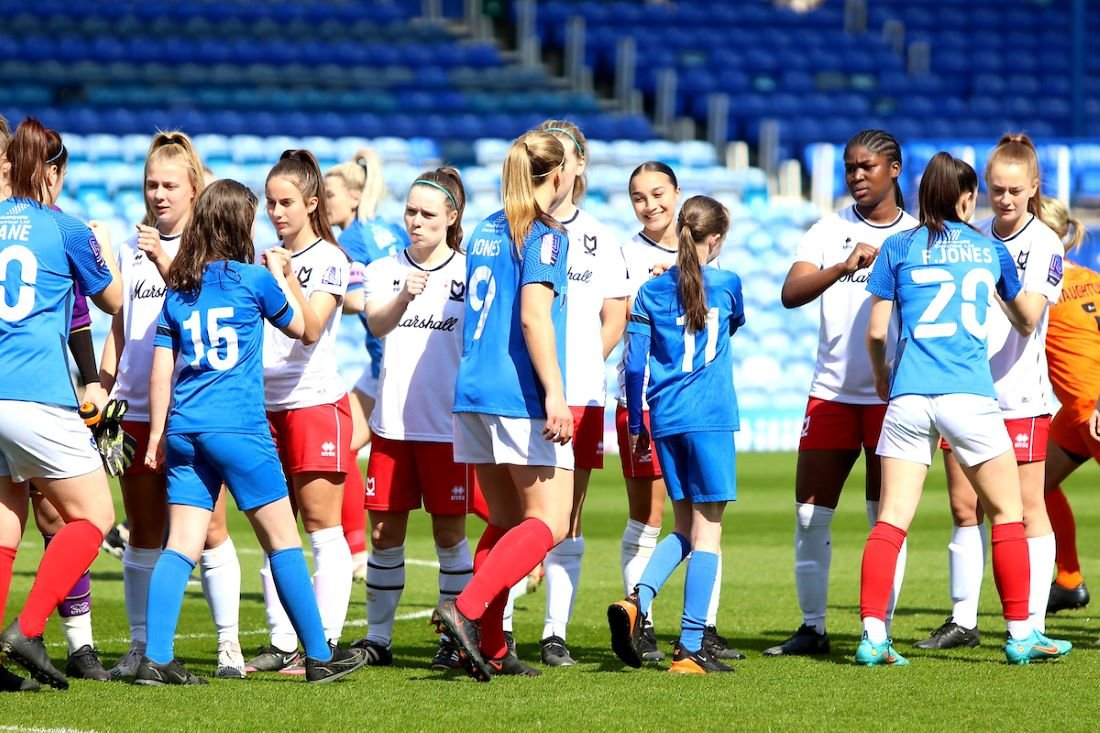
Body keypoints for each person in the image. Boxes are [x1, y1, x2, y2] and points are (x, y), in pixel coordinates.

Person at [139, 178, 368, 685]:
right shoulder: (253, 280)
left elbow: (161, 366)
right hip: (239, 427)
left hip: (184, 428)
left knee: (180, 545)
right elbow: (305, 331)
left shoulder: (178, 290)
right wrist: (283, 274)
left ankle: (155, 657)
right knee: (283, 542)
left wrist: (158, 433)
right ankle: (317, 655)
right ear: (239, 225)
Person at [856, 152, 1070, 666]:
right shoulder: (987, 249)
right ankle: (1021, 635)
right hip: (970, 397)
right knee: (1007, 514)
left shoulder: (897, 246)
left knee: (890, 520)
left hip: (909, 395)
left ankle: (873, 638)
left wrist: (885, 375)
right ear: (967, 197)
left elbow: (878, 332)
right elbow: (1023, 319)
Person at [96, 131, 246, 680]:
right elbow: (120, 325)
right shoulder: (132, 249)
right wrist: (105, 390)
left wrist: (163, 258)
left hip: (192, 408)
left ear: (194, 188)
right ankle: (140, 646)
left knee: (208, 529)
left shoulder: (210, 251)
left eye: (169, 185)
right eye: (150, 184)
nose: (158, 195)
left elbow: (196, 310)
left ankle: (229, 645)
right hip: (133, 408)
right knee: (143, 527)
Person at [767, 129, 917, 657]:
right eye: (850, 167)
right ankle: (812, 628)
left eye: (867, 167)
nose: (856, 176)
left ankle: (881, 628)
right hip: (830, 394)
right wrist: (843, 266)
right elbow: (790, 293)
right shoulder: (828, 230)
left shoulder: (918, 236)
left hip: (894, 399)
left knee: (886, 519)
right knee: (810, 516)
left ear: (894, 170)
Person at [431, 130, 574, 682]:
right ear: (559, 175)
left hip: (472, 392)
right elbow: (535, 318)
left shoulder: (487, 229)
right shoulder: (544, 235)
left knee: (507, 521)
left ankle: (491, 645)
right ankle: (466, 611)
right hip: (517, 395)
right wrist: (555, 395)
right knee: (550, 522)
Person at [914, 134, 1065, 649]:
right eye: (996, 189)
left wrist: (994, 283)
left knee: (1026, 508)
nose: (1004, 199)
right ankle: (963, 620)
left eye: (1014, 190)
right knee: (963, 507)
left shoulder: (1043, 243)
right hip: (967, 392)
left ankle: (1034, 621)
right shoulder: (973, 238)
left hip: (1020, 394)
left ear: (1033, 188)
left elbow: (1028, 321)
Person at [0, 117, 123, 691]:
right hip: (38, 393)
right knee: (95, 515)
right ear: (50, 171)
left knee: (5, 527)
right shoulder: (67, 227)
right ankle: (26, 629)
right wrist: (107, 251)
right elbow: (115, 301)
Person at [350, 169, 487, 669]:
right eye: (410, 210)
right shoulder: (385, 268)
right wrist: (405, 294)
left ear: (452, 218)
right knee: (385, 535)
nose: (416, 221)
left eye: (428, 214)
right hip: (392, 429)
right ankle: (377, 640)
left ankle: (454, 638)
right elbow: (376, 322)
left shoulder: (470, 273)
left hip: (448, 430)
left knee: (449, 537)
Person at [608, 195, 744, 675]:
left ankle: (636, 601)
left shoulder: (650, 293)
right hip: (709, 416)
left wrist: (636, 425)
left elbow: (634, 366)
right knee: (708, 533)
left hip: (664, 418)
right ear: (717, 239)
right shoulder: (727, 284)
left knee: (683, 529)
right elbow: (731, 326)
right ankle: (690, 647)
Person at [522, 120, 629, 666]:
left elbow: (616, 314)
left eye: (562, 157)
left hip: (581, 396)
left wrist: (574, 369)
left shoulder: (600, 237)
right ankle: (484, 619)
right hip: (517, 394)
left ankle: (553, 632)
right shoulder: (518, 231)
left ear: (578, 166)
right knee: (513, 512)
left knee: (568, 517)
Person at [247, 150, 355, 673]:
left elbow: (311, 328)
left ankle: (325, 640)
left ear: (312, 204)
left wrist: (284, 276)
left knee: (320, 529)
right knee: (274, 528)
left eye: (286, 202)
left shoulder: (330, 259)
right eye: (270, 202)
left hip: (313, 403)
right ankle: (281, 640)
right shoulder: (264, 256)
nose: (276, 212)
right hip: (264, 404)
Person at [324, 148, 402, 582]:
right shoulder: (388, 228)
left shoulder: (351, 240)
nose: (325, 200)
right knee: (345, 443)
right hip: (389, 360)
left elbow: (353, 298)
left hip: (390, 363)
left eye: (330, 193)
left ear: (354, 196)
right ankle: (356, 549)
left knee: (344, 445)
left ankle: (355, 549)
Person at [1037, 198, 1095, 616]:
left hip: (1093, 410)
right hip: (1077, 414)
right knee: (1036, 486)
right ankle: (1070, 580)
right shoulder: (1092, 278)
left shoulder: (1045, 288)